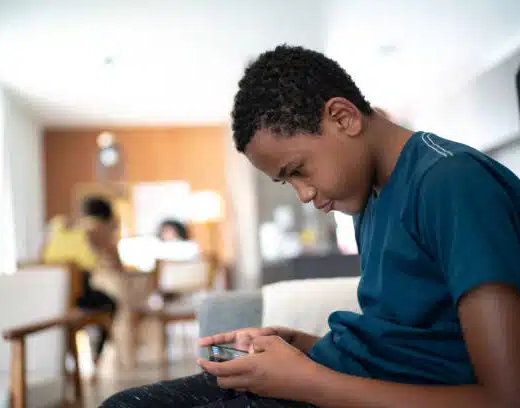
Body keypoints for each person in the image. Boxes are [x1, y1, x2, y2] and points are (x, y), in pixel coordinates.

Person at [100, 45, 520, 408]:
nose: (302, 194)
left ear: (343, 117)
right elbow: (410, 345)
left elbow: (505, 398)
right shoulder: (370, 196)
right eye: (289, 182)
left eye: (298, 170)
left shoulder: (452, 183)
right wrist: (297, 346)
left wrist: (308, 382)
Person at [41, 196, 123, 365]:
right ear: (106, 217)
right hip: (77, 297)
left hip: (45, 294)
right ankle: (96, 355)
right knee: (111, 304)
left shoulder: (57, 224)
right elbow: (117, 265)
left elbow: (41, 256)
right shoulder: (97, 230)